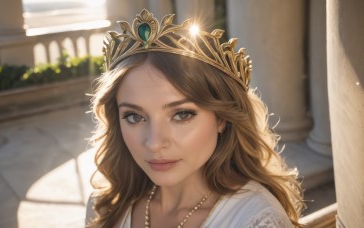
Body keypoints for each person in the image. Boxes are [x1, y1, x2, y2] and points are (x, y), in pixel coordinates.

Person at [86, 9, 304, 228]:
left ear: (222, 119)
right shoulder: (105, 205)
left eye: (182, 114)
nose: (154, 142)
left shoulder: (256, 221)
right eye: (134, 116)